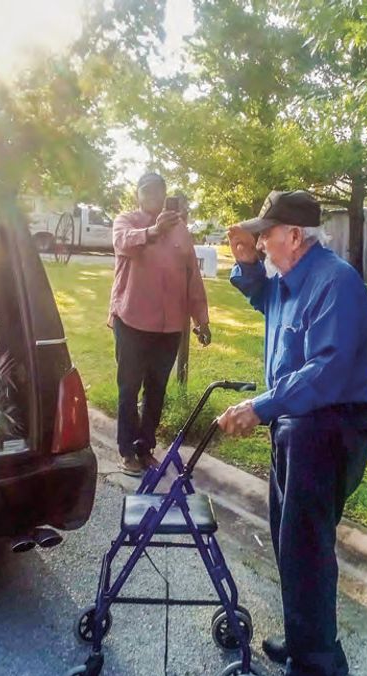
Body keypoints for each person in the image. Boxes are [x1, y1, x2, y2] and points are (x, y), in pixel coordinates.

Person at [217, 190, 367, 676]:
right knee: (292, 541)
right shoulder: (291, 278)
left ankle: (314, 673)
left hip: (327, 428)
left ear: (294, 236)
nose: (260, 242)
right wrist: (246, 265)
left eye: (265, 235)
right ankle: (316, 643)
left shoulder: (336, 282)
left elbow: (327, 371)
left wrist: (260, 406)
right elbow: (268, 299)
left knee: (306, 547)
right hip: (298, 424)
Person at [110, 172, 212, 476]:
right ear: (138, 194)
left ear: (167, 194)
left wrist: (201, 320)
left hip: (169, 329)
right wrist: (153, 230)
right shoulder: (126, 221)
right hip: (132, 321)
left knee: (156, 390)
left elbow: (192, 277)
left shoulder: (182, 231)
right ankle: (127, 451)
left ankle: (146, 448)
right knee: (129, 388)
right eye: (148, 191)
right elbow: (123, 243)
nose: (154, 196)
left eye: (159, 191)